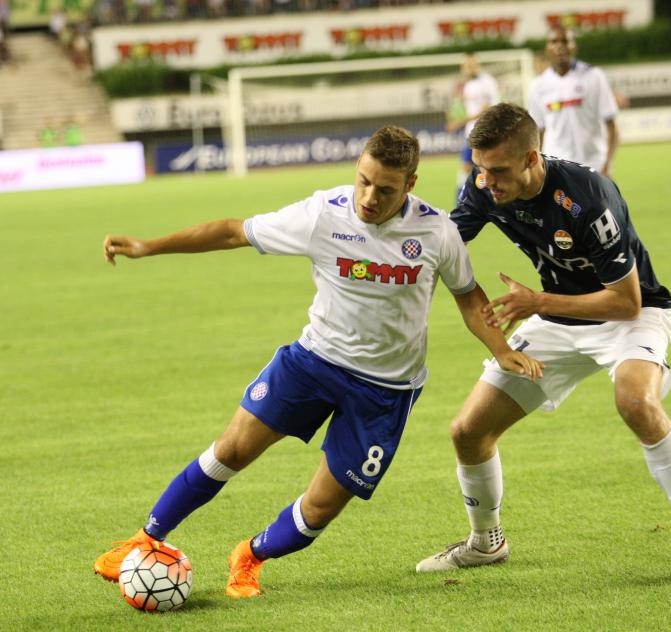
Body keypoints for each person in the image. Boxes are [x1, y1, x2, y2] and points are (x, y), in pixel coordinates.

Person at [93, 125, 542, 598]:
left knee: (321, 509)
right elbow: (231, 233)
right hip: (313, 362)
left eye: (385, 189)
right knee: (231, 451)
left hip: (385, 392)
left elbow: (468, 296)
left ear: (410, 184)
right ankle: (146, 538)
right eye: (363, 180)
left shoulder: (437, 232)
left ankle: (249, 556)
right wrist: (148, 246)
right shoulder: (322, 214)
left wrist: (501, 350)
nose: (369, 197)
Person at [416, 103, 671, 586]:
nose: (487, 181)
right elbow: (444, 243)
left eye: (498, 170)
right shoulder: (483, 189)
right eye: (480, 169)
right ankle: (486, 543)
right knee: (467, 431)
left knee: (636, 402)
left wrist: (537, 299)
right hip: (554, 316)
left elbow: (626, 301)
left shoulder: (588, 198)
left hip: (630, 313)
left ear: (532, 159)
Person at [527, 25, 619, 178]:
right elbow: (537, 133)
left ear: (574, 46)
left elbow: (612, 125)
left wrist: (607, 163)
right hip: (556, 167)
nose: (560, 46)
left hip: (593, 164)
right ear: (547, 49)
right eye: (554, 42)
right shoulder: (538, 85)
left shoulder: (594, 76)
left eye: (565, 41)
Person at [446, 53, 500, 202]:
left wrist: (460, 121)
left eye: (470, 65)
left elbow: (490, 108)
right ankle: (462, 201)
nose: (467, 68)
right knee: (466, 168)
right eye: (465, 66)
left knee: (486, 168)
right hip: (470, 133)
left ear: (477, 65)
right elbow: (465, 108)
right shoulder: (468, 85)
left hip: (485, 133)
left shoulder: (487, 82)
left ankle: (468, 201)